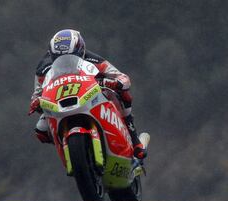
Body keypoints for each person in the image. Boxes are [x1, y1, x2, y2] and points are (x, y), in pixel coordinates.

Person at [28, 29, 147, 159]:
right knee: (41, 130)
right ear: (51, 55)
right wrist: (36, 101)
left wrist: (117, 83)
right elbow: (38, 92)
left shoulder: (94, 59)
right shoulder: (43, 69)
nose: (66, 62)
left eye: (71, 56)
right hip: (58, 102)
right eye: (59, 58)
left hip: (90, 94)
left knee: (124, 95)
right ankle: (70, 148)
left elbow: (122, 77)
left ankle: (135, 140)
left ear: (80, 50)